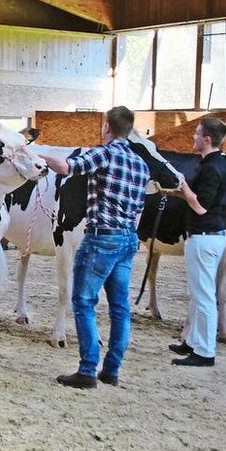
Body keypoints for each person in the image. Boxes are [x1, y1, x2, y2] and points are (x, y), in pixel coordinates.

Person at [38, 105, 149, 389]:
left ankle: (88, 369)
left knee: (84, 301)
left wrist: (36, 155)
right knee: (120, 307)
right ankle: (111, 369)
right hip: (127, 238)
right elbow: (139, 208)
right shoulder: (140, 164)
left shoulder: (105, 152)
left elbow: (66, 167)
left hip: (102, 236)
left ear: (107, 128)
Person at [169, 117, 226, 368]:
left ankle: (205, 351)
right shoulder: (221, 163)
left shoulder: (210, 169)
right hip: (211, 236)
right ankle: (193, 342)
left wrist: (182, 186)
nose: (193, 137)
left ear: (207, 139)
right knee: (198, 293)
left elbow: (201, 206)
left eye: (196, 133)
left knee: (204, 296)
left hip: (205, 235)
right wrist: (171, 192)